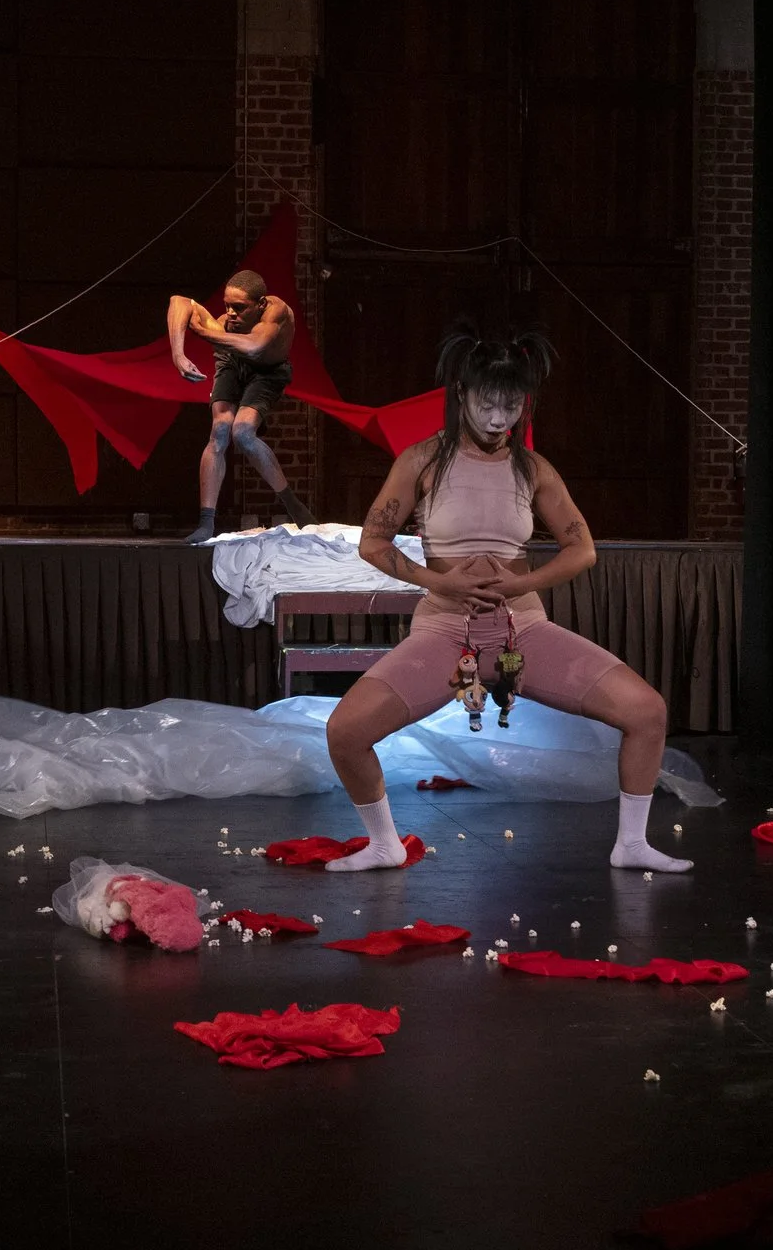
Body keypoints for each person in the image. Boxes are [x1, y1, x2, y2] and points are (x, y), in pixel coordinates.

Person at [321, 321, 691, 874]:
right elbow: (373, 544)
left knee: (647, 711)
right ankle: (383, 844)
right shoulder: (422, 460)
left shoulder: (532, 468)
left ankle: (632, 845)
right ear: (461, 394)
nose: (499, 419)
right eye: (487, 405)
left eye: (512, 407)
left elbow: (582, 549)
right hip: (447, 630)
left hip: (523, 629)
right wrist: (440, 582)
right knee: (346, 732)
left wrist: (521, 585)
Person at [167, 269, 312, 543]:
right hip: (233, 362)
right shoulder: (225, 325)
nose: (230, 313)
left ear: (261, 304)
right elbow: (179, 302)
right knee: (220, 430)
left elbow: (256, 346)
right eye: (227, 306)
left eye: (239, 307)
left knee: (243, 433)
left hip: (268, 371)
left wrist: (201, 331)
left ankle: (294, 506)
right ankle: (206, 522)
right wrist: (178, 355)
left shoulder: (277, 311)